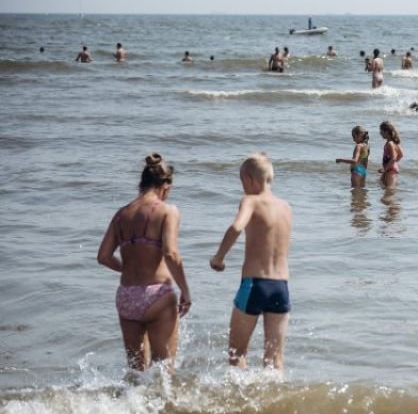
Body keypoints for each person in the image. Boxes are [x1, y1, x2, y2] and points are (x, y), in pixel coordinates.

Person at [97, 154, 191, 372]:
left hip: (127, 296)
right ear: (165, 186)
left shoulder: (121, 214)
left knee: (136, 372)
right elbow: (171, 253)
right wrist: (185, 290)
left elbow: (103, 256)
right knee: (164, 372)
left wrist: (127, 267)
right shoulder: (168, 211)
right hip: (157, 296)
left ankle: (131, 406)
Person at [210, 153, 293, 370]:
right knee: (275, 360)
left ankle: (242, 401)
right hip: (281, 286)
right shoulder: (286, 207)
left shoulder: (250, 201)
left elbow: (237, 227)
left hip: (255, 285)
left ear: (249, 179)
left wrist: (219, 257)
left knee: (236, 355)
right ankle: (273, 402)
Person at [379, 121, 403, 188]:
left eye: (381, 131)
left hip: (390, 170)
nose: (380, 133)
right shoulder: (394, 142)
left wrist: (386, 168)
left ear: (386, 131)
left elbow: (393, 158)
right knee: (382, 186)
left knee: (389, 191)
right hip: (389, 169)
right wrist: (389, 166)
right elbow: (401, 155)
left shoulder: (390, 143)